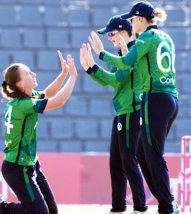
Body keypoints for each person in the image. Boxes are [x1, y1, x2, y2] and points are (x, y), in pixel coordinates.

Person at [88, 1, 179, 214]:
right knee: (142, 152)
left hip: (154, 98)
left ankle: (167, 205)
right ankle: (167, 201)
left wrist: (100, 54)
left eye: (132, 20)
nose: (131, 24)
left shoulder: (146, 38)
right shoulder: (166, 37)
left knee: (152, 155)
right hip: (171, 98)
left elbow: (125, 63)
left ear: (139, 20)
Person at [0, 51, 78, 214]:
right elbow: (59, 100)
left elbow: (49, 94)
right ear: (20, 84)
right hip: (18, 168)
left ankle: (1, 208)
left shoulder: (23, 99)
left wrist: (64, 74)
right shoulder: (23, 105)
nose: (33, 74)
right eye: (28, 73)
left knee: (52, 211)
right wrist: (73, 76)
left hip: (30, 164)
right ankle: (1, 208)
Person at [80, 16, 147, 214]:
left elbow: (116, 80)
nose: (109, 37)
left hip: (131, 111)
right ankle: (118, 208)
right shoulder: (121, 53)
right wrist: (90, 69)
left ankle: (140, 208)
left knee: (128, 160)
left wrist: (94, 64)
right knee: (116, 163)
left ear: (123, 31)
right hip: (122, 112)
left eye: (111, 33)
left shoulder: (134, 50)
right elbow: (109, 81)